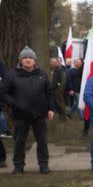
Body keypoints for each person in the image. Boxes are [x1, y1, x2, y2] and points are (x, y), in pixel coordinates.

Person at [0, 46, 54, 174]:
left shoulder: (42, 74)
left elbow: (49, 93)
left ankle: (44, 165)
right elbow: (3, 92)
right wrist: (14, 103)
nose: (28, 60)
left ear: (35, 60)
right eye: (25, 58)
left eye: (30, 58)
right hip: (20, 114)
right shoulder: (12, 75)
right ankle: (18, 166)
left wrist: (51, 108)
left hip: (39, 114)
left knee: (42, 141)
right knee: (19, 141)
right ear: (20, 61)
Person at [49, 56, 69, 121]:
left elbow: (63, 80)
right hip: (52, 89)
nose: (53, 63)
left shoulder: (60, 70)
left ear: (57, 62)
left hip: (57, 90)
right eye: (52, 62)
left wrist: (59, 88)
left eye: (55, 62)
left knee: (60, 103)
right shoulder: (52, 69)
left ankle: (63, 117)